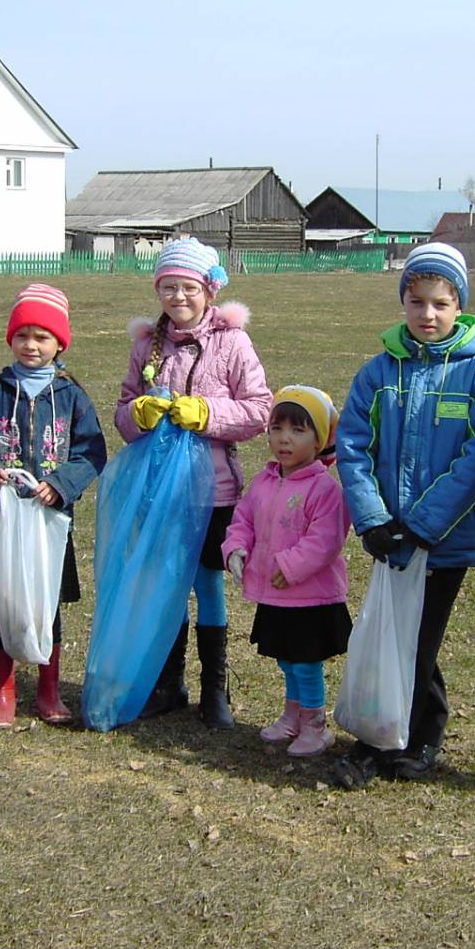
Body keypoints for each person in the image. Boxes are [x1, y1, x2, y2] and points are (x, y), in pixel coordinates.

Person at [332, 242, 475, 788]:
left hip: (443, 539)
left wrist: (424, 524)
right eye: (416, 302)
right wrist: (373, 518)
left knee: (420, 639)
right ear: (402, 302)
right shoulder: (379, 372)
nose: (427, 315)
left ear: (460, 307)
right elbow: (353, 446)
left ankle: (413, 735)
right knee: (390, 633)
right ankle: (383, 734)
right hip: (389, 535)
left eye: (439, 304)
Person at [114, 237, 272, 727]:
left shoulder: (232, 343)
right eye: (168, 288)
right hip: (158, 489)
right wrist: (137, 414)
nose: (178, 298)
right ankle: (169, 682)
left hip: (213, 490)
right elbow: (122, 413)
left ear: (208, 288)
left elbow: (260, 410)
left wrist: (206, 413)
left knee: (207, 582)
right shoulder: (147, 345)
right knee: (165, 583)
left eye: (188, 287)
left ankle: (215, 690)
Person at [0, 283, 107, 727]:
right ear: (10, 339)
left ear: (60, 343)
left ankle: (49, 689)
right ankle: (4, 693)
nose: (31, 345)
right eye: (23, 335)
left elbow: (91, 451)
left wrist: (61, 484)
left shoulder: (71, 396)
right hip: (4, 519)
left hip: (51, 521)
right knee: (7, 602)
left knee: (46, 605)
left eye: (42, 337)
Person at [222, 386, 352, 757]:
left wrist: (290, 566)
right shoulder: (263, 481)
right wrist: (235, 548)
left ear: (320, 440)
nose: (284, 439)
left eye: (298, 431)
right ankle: (292, 715)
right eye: (277, 428)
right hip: (275, 594)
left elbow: (325, 540)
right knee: (285, 658)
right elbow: (242, 519)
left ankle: (316, 725)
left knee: (306, 662)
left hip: (309, 597)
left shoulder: (325, 489)